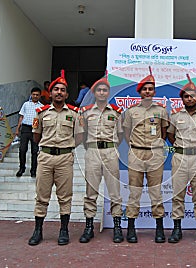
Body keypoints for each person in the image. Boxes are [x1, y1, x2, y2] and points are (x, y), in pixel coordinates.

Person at [28, 70, 83, 246]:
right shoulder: (41, 113)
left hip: (65, 158)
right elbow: (36, 136)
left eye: (62, 90)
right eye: (56, 89)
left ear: (67, 94)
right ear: (50, 93)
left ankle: (64, 230)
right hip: (45, 157)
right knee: (42, 196)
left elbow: (80, 136)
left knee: (65, 196)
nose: (59, 92)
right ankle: (38, 231)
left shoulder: (75, 113)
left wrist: (68, 146)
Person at [123, 67, 169, 243]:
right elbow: (127, 133)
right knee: (134, 192)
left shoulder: (161, 110)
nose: (147, 91)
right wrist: (137, 146)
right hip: (135, 153)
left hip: (155, 155)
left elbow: (164, 132)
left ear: (154, 91)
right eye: (144, 89)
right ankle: (131, 228)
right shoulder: (131, 111)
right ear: (140, 92)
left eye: (150, 89)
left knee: (155, 192)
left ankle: (159, 228)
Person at [167, 74, 196, 245]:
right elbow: (170, 135)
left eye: (192, 95)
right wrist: (181, 148)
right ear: (182, 99)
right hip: (180, 157)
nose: (189, 98)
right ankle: (176, 229)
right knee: (177, 194)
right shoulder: (175, 115)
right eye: (186, 96)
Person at [78, 73, 124, 243]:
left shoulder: (116, 112)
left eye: (105, 90)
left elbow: (120, 135)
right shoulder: (86, 112)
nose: (102, 93)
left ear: (108, 93)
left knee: (114, 192)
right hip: (92, 152)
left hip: (110, 152)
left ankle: (117, 226)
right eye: (99, 90)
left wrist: (110, 148)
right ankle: (89, 227)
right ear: (94, 93)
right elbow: (82, 135)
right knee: (91, 192)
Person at [15, 87, 43, 177]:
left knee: (35, 151)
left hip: (35, 129)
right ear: (31, 95)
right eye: (34, 94)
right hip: (25, 128)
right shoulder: (26, 104)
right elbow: (21, 117)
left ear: (40, 96)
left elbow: (42, 120)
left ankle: (33, 170)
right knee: (22, 149)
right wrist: (17, 128)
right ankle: (21, 168)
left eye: (37, 95)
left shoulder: (41, 106)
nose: (35, 96)